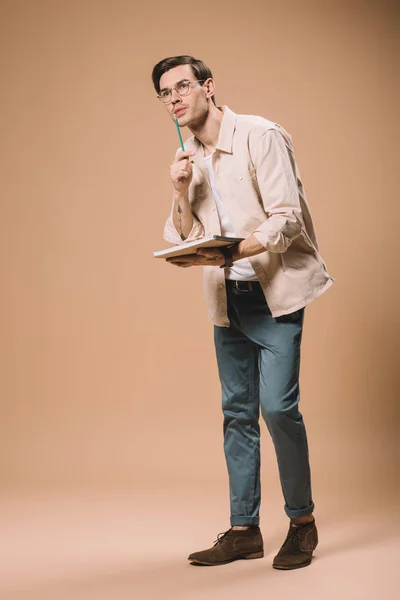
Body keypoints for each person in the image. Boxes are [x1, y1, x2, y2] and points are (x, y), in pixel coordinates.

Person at [151, 55, 335, 570]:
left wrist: (231, 252)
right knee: (236, 415)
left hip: (275, 295)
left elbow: (287, 220)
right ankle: (243, 530)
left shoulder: (260, 135)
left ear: (208, 87)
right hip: (227, 303)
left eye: (183, 86)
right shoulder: (188, 154)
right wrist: (179, 190)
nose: (175, 98)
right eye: (166, 93)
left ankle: (302, 523)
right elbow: (182, 236)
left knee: (277, 409)